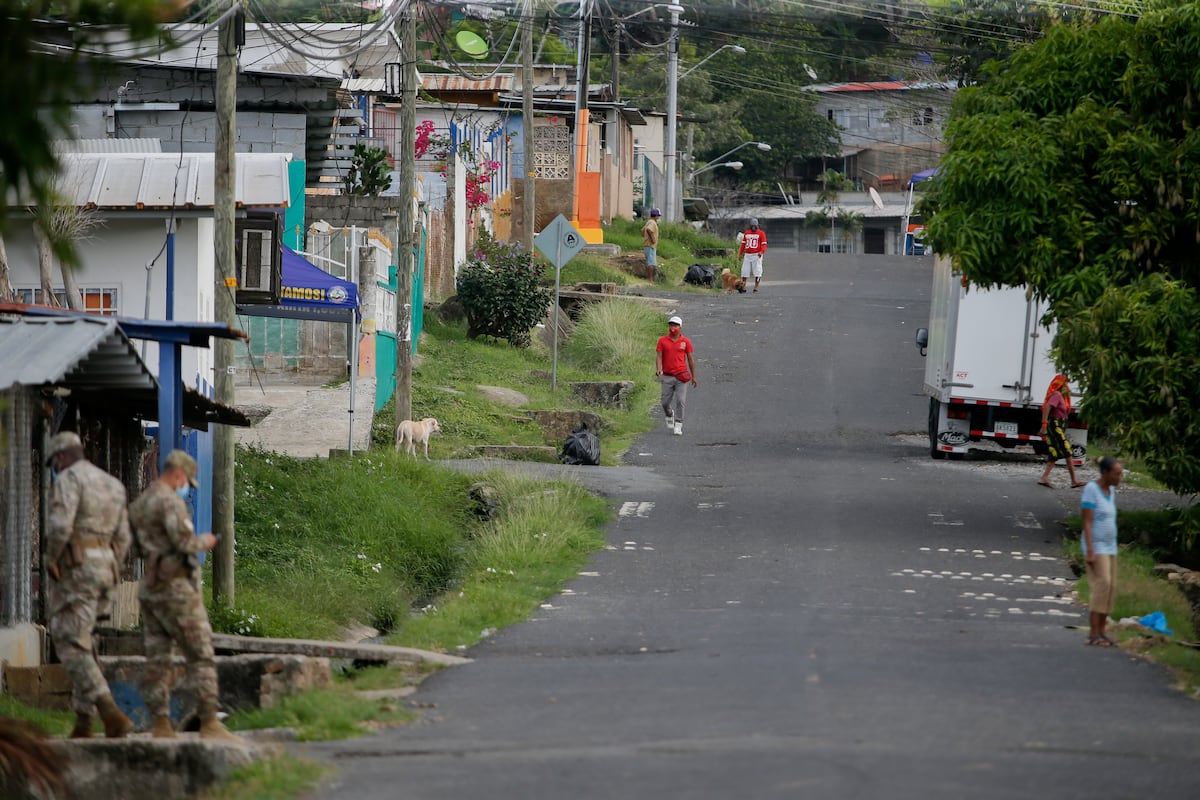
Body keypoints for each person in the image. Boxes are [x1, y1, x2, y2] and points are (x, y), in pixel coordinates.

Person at [127, 449, 240, 741]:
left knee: (157, 659)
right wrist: (208, 541)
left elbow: (136, 548)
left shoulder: (139, 505)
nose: (185, 485)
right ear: (178, 474)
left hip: (150, 589)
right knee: (201, 654)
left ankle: (161, 725)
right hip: (176, 589)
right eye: (186, 480)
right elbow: (184, 542)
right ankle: (210, 724)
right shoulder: (170, 502)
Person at [43, 431, 134, 739]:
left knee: (69, 639)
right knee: (85, 639)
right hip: (107, 570)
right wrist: (111, 566)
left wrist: (51, 558)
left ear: (61, 457)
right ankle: (83, 721)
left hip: (78, 569)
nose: (56, 466)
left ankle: (109, 711)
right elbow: (124, 537)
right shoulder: (113, 484)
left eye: (54, 462)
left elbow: (59, 525)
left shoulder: (69, 479)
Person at [1080, 457, 1124, 647]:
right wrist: (1090, 551)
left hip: (1110, 546)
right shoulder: (1091, 489)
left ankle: (1103, 631)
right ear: (1105, 473)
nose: (1120, 477)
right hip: (1096, 547)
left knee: (1112, 587)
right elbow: (1088, 523)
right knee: (1102, 584)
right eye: (1117, 473)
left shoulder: (1111, 491)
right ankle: (1093, 632)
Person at [1037, 374, 1084, 489]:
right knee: (1066, 449)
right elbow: (1047, 408)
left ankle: (1044, 478)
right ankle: (1074, 480)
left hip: (1059, 425)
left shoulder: (1062, 397)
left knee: (1055, 452)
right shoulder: (1056, 395)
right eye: (1065, 384)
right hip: (1055, 425)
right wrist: (1044, 425)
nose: (1067, 387)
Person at [655, 315, 697, 436]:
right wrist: (659, 369)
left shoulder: (685, 342)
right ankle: (669, 414)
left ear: (680, 327)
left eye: (675, 325)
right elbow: (659, 356)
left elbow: (690, 359)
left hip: (681, 376)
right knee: (664, 402)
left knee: (680, 401)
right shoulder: (662, 340)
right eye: (671, 325)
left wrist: (693, 376)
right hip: (667, 376)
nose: (673, 328)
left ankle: (678, 424)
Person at [738, 218, 767, 292]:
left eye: (755, 225)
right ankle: (743, 286)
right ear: (750, 225)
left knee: (757, 271)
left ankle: (756, 286)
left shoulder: (761, 233)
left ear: (757, 225)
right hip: (747, 255)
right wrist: (740, 254)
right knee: (745, 271)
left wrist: (761, 252)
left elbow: (764, 245)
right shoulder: (747, 233)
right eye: (752, 225)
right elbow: (743, 244)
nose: (753, 226)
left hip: (757, 255)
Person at [642, 207, 662, 283]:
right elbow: (649, 230)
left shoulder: (648, 222)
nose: (658, 218)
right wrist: (653, 239)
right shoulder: (653, 223)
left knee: (650, 262)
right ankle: (650, 280)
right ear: (656, 216)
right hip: (650, 245)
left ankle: (649, 279)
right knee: (651, 263)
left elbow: (643, 230)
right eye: (658, 216)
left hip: (648, 245)